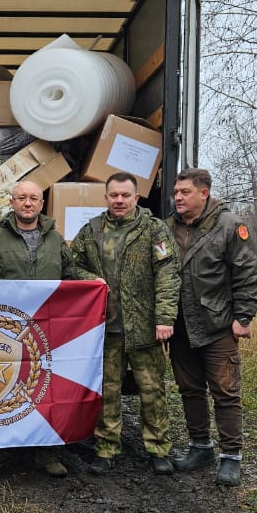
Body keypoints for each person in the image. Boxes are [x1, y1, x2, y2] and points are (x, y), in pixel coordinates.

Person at [70, 172, 180, 475]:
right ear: (105, 197)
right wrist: (91, 279)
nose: (119, 200)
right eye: (114, 195)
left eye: (125, 195)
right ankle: (106, 448)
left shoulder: (153, 230)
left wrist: (164, 318)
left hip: (145, 327)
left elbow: (168, 275)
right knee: (107, 391)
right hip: (106, 329)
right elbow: (71, 265)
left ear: (136, 198)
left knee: (152, 390)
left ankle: (158, 449)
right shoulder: (91, 230)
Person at [167, 167, 257, 487]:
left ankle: (231, 457)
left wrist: (243, 317)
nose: (178, 197)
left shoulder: (229, 226)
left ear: (203, 193)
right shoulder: (168, 227)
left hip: (217, 324)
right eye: (176, 192)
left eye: (185, 192)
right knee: (190, 389)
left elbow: (246, 272)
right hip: (180, 325)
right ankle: (200, 447)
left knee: (226, 391)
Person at [0, 179, 78, 478]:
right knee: (0, 387)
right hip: (5, 329)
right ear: (12, 203)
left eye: (34, 198)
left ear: (42, 204)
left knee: (45, 388)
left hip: (47, 329)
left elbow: (71, 281)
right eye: (21, 197)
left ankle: (47, 451)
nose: (28, 203)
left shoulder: (56, 240)